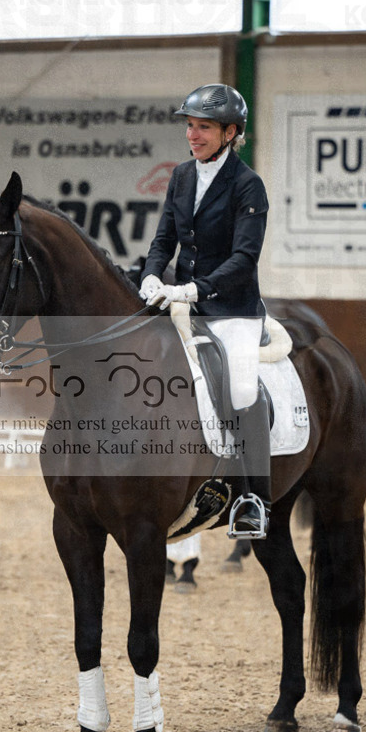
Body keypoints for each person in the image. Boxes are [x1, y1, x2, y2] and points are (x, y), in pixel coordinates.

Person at [139, 83, 271, 538]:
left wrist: (196, 289)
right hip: (181, 301)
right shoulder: (181, 176)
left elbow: (244, 258)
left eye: (205, 128)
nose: (193, 136)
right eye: (191, 126)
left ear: (231, 132)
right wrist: (152, 276)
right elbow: (164, 240)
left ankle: (255, 496)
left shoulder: (248, 185)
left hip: (231, 308)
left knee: (242, 385)